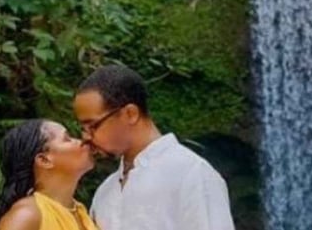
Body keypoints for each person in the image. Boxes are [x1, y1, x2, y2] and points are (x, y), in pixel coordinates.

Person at [73, 63, 233, 230]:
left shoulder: (191, 174)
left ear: (130, 114)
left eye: (93, 126)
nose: (86, 137)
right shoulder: (105, 192)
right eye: (83, 129)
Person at [0, 118, 102, 230]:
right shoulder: (26, 215)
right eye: (67, 139)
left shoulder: (81, 212)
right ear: (44, 160)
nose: (81, 141)